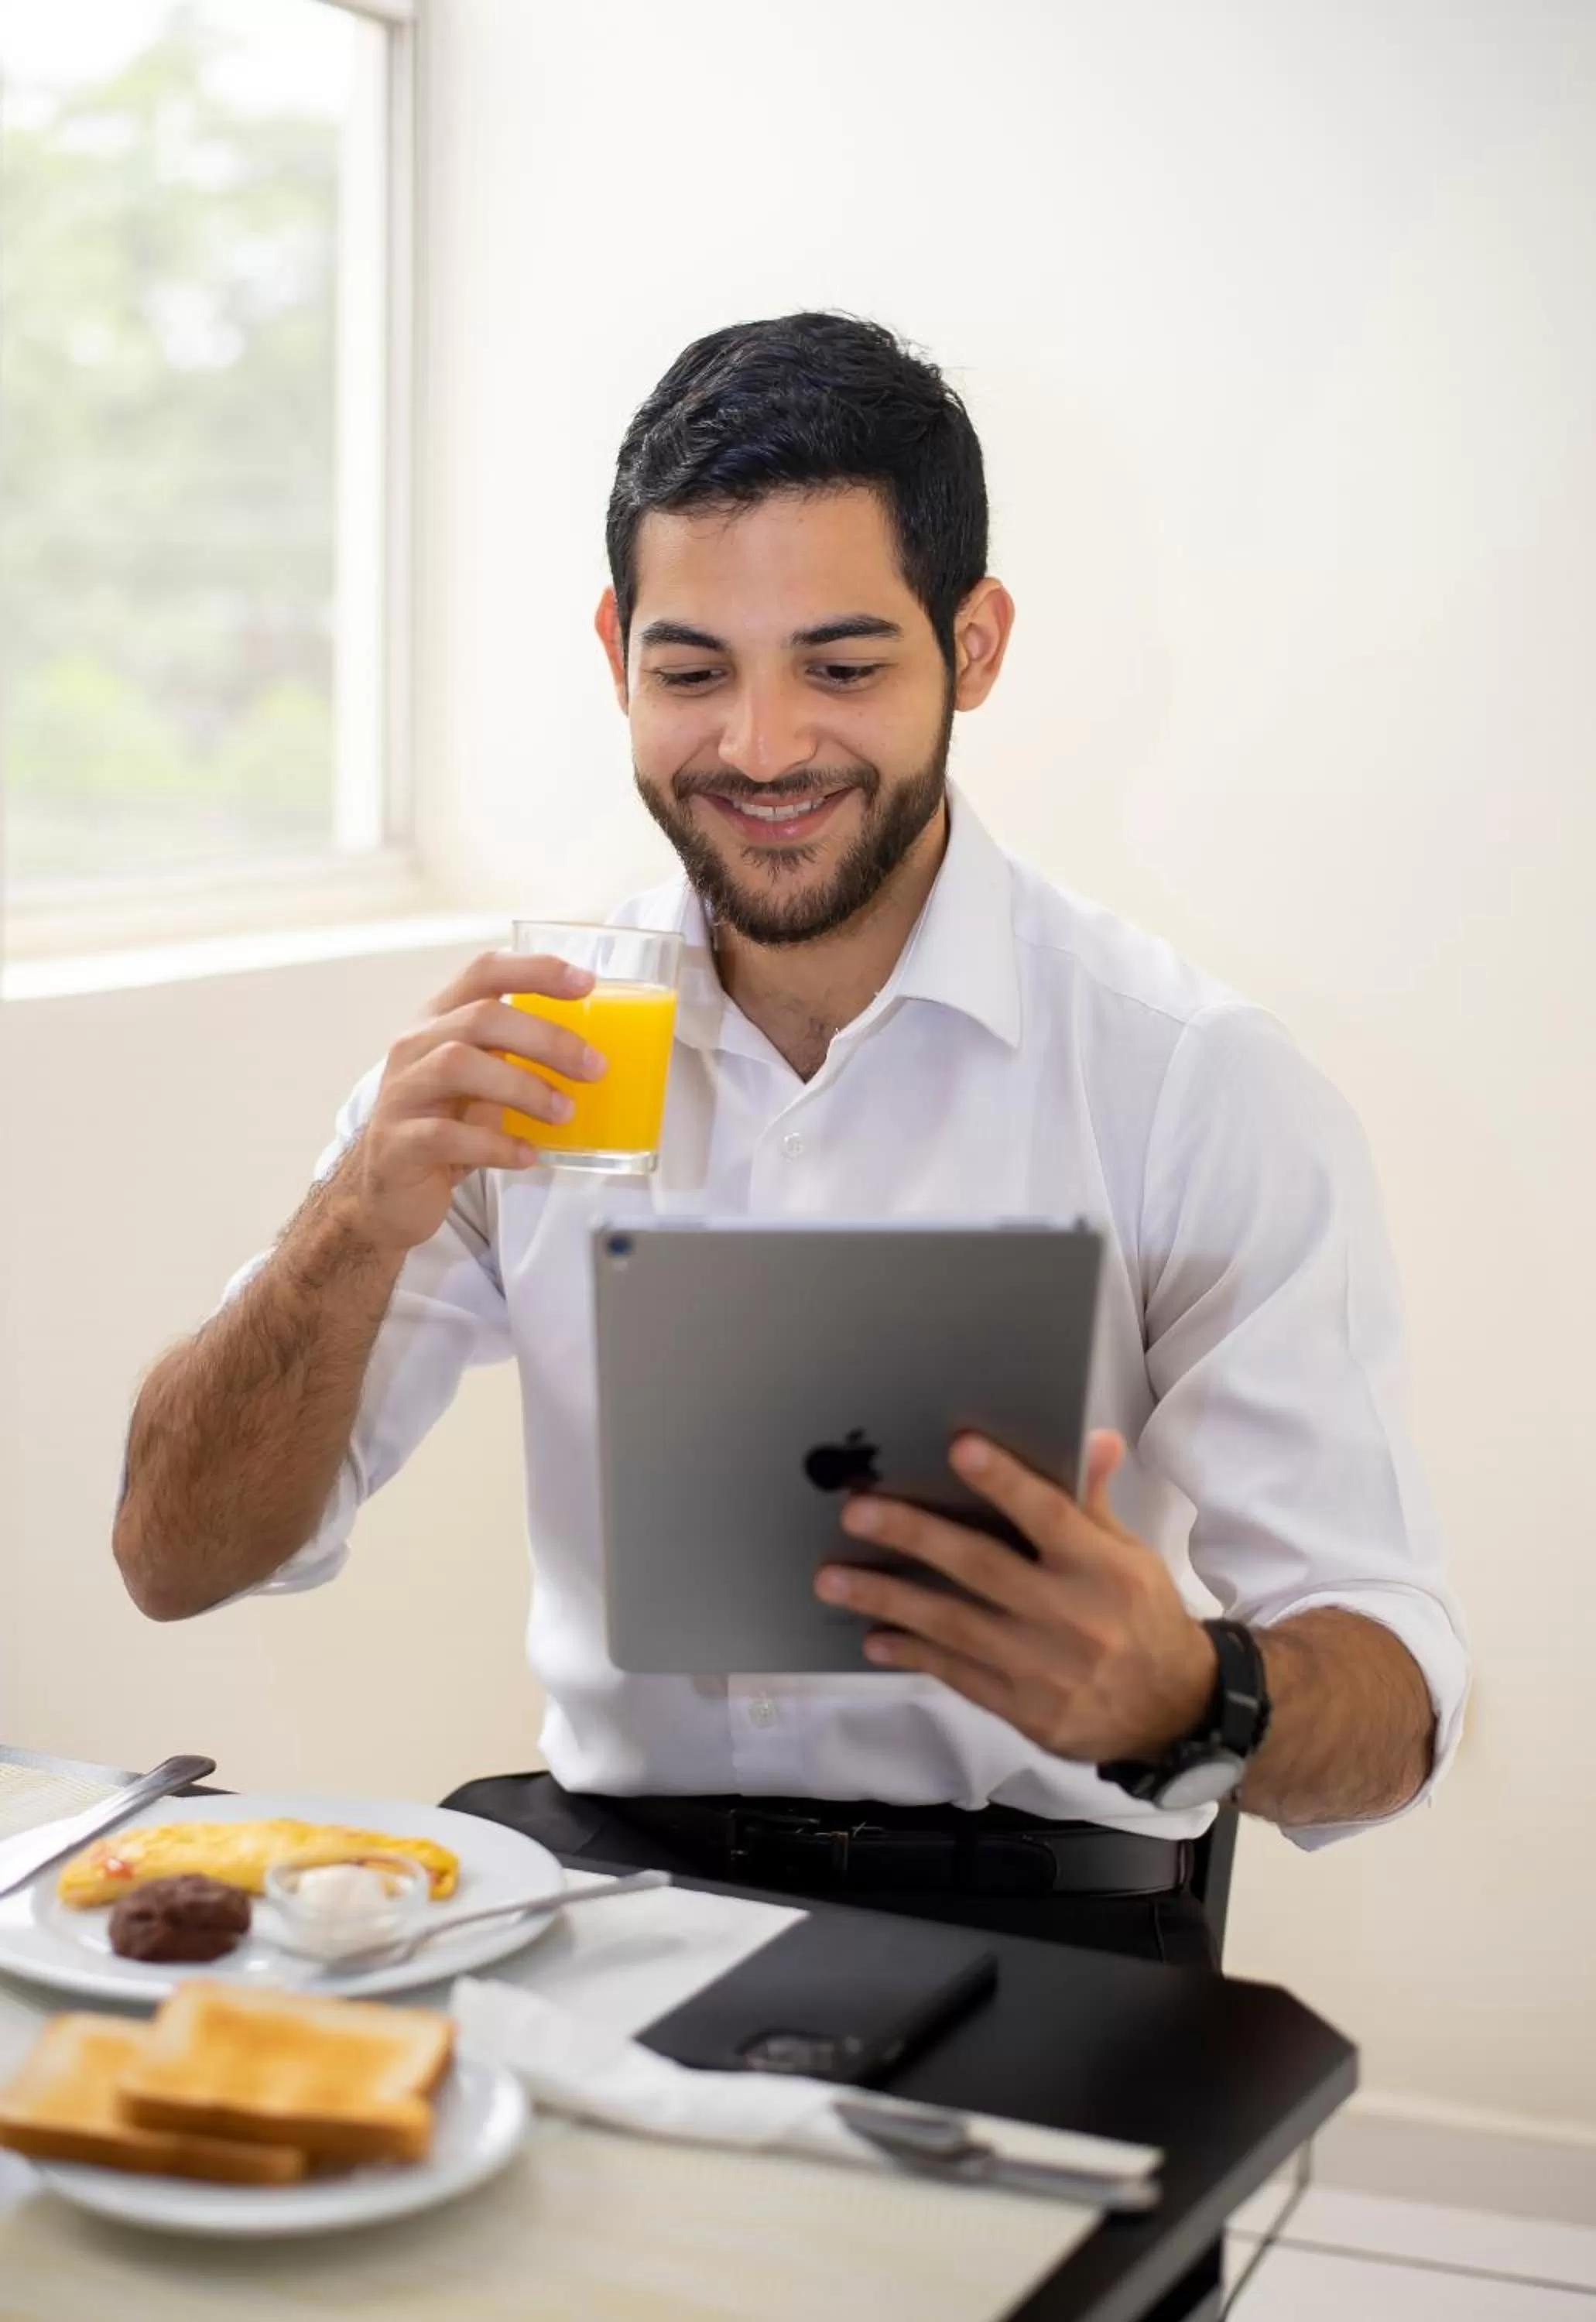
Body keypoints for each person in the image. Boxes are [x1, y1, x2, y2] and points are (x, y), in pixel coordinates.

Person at [114, 313, 1468, 1974]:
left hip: (1041, 1917)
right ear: (614, 647)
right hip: (611, 1900)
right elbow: (174, 1562)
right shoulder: (528, 1056)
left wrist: (1193, 1692)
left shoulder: (1189, 1083)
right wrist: (352, 1220)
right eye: (691, 671)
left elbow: (1393, 1712)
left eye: (839, 666)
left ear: (970, 648)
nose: (758, 748)